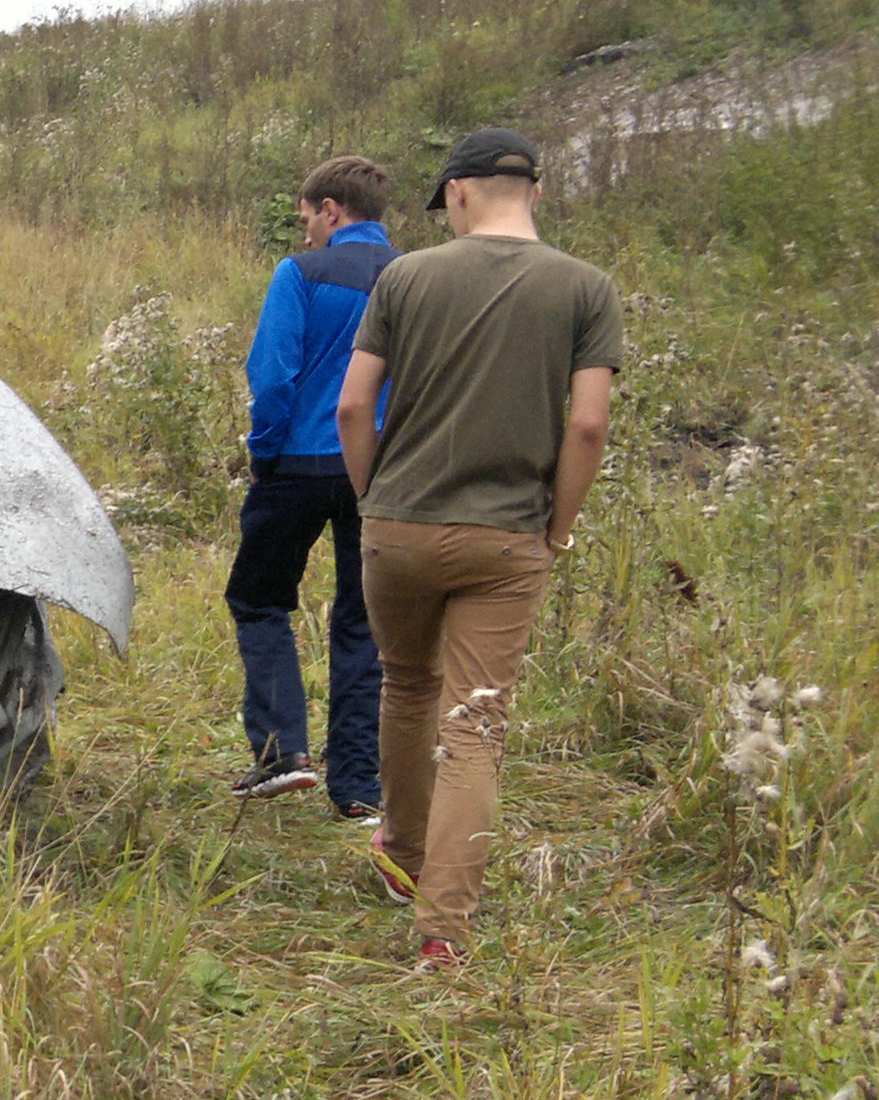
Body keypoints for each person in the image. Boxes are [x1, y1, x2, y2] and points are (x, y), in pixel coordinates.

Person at [339, 127, 624, 968]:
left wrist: (373, 503)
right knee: (477, 726)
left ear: (457, 193)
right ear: (533, 191)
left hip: (398, 526)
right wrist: (558, 527)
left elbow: (354, 409)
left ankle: (404, 849)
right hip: (507, 538)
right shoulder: (587, 288)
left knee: (407, 685)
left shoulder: (406, 276)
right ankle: (442, 932)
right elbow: (588, 424)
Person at [228, 155, 396, 815]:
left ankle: (281, 753)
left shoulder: (299, 273)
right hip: (380, 473)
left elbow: (273, 375)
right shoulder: (416, 277)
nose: (304, 235)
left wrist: (264, 452)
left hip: (296, 466)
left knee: (260, 600)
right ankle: (357, 789)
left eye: (307, 220)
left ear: (332, 210)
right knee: (363, 624)